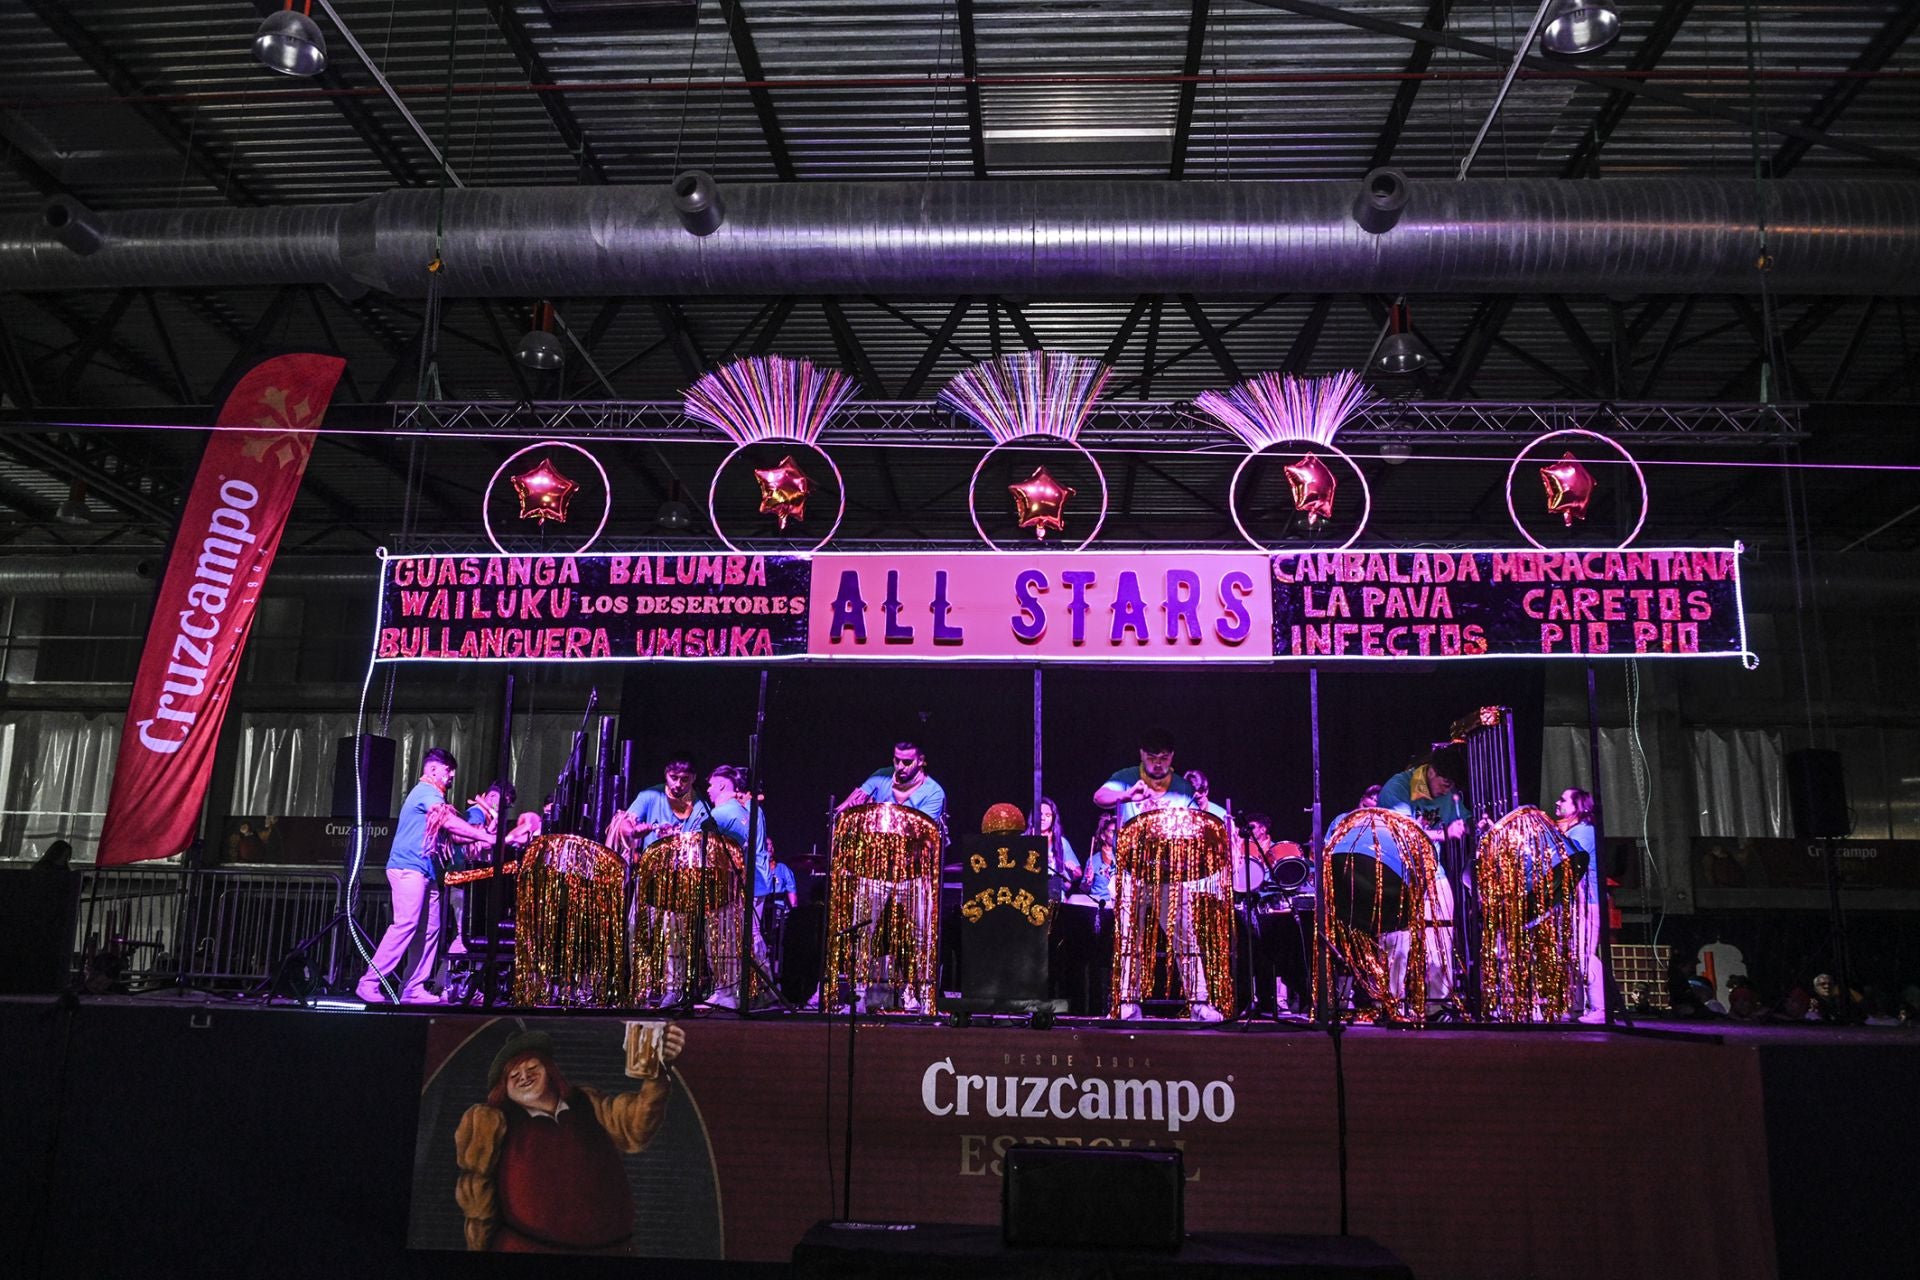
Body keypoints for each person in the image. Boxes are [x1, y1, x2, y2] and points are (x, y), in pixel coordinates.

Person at [454, 1025, 685, 1253]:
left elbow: (637, 1128)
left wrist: (659, 1066)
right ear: (503, 1089)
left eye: (532, 1066)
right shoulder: (495, 1124)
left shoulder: (587, 1103)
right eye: (513, 1075)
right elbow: (477, 1200)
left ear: (550, 1070)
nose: (524, 1076)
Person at [1093, 729, 1227, 1023]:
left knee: (1185, 937)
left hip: (1170, 873)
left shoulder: (1181, 787)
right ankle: (1128, 1002)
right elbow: (1099, 796)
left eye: (1163, 757)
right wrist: (1128, 795)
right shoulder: (1127, 777)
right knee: (1130, 937)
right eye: (1152, 757)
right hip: (1132, 872)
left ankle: (1199, 1003)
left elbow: (1195, 828)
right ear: (1142, 755)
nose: (1157, 763)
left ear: (1172, 757)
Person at [358, 747, 490, 1004]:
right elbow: (449, 823)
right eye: (447, 770)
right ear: (432, 770)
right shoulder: (426, 793)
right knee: (406, 924)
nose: (451, 775)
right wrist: (486, 835)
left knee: (430, 930)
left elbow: (456, 835)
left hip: (425, 872)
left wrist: (495, 839)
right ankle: (369, 982)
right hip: (408, 867)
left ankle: (412, 988)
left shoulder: (436, 798)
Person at [836, 739, 948, 1013]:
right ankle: (859, 998)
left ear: (921, 761)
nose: (899, 766)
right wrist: (851, 808)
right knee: (862, 930)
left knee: (921, 935)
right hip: (874, 870)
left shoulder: (934, 792)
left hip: (913, 874)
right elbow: (846, 808)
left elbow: (917, 834)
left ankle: (922, 996)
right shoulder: (880, 776)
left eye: (907, 762)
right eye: (896, 760)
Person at [703, 764, 773, 1009]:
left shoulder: (737, 809)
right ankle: (755, 991)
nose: (708, 790)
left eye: (712, 784)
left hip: (751, 880)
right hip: (755, 879)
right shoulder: (751, 808)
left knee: (745, 937)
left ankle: (760, 991)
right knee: (742, 936)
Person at [1554, 786, 1607, 1023]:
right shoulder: (1575, 831)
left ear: (1578, 806)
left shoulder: (1583, 832)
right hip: (1577, 901)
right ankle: (1575, 1007)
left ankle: (1600, 1007)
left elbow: (1574, 867)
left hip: (1587, 901)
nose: (1558, 802)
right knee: (1571, 954)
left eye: (1564, 800)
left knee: (1582, 954)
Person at [607, 755, 710, 854]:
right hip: (650, 865)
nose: (678, 784)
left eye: (684, 779)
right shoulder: (650, 795)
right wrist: (633, 832)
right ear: (666, 773)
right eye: (673, 778)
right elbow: (622, 823)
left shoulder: (701, 808)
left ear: (694, 778)